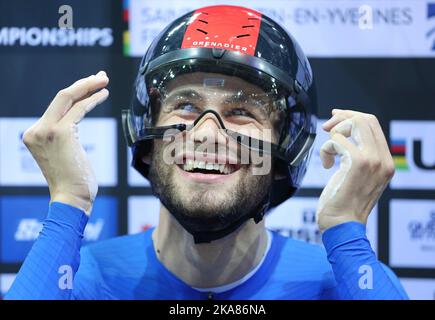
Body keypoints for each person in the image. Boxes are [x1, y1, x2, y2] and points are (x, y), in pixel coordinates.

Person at [6, 5, 408, 300]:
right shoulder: (80, 278)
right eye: (185, 106)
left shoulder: (340, 281)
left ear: (287, 146)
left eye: (242, 111)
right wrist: (68, 203)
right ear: (148, 140)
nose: (208, 133)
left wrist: (345, 230)